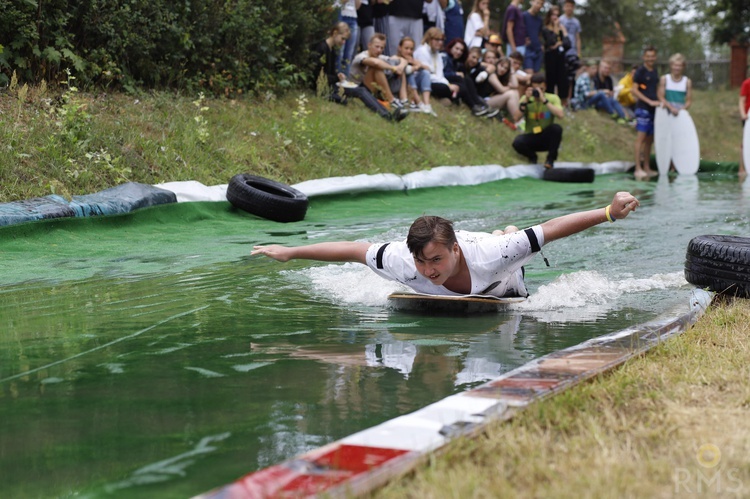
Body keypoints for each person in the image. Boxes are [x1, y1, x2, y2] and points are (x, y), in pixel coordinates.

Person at [251, 192, 641, 298]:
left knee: (513, 246)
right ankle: (505, 231)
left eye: (435, 260)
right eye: (422, 263)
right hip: (481, 248)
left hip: (503, 276)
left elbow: (552, 228)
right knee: (504, 241)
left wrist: (609, 211)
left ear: (453, 251)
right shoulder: (404, 261)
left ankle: (507, 232)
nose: (428, 271)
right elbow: (355, 249)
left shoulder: (492, 258)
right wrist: (290, 252)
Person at [311, 23, 408, 122]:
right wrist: (336, 78)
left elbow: (328, 73)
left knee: (360, 90)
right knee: (360, 91)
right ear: (335, 33)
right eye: (343, 39)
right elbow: (318, 76)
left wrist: (337, 76)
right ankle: (388, 115)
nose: (343, 42)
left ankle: (388, 114)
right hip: (324, 88)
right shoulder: (322, 48)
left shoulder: (332, 50)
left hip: (332, 85)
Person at [421, 30, 492, 116]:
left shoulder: (453, 61)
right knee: (461, 80)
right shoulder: (443, 56)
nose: (458, 52)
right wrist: (454, 76)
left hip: (442, 82)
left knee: (464, 81)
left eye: (461, 50)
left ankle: (477, 104)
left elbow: (440, 75)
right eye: (457, 49)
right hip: (434, 82)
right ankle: (474, 105)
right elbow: (438, 74)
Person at [512, 72, 564, 169]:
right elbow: (515, 118)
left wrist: (544, 100)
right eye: (536, 89)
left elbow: (560, 115)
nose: (538, 92)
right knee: (517, 142)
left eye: (541, 89)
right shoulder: (526, 99)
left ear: (546, 87)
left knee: (556, 129)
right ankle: (532, 157)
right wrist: (525, 101)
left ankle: (550, 160)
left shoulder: (552, 98)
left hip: (546, 137)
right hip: (531, 136)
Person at [349, 33, 409, 110]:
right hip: (358, 89)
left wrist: (399, 67)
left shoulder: (379, 56)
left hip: (372, 89)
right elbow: (375, 63)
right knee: (376, 68)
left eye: (382, 48)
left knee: (401, 67)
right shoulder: (361, 56)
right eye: (377, 47)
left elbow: (402, 59)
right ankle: (392, 101)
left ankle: (404, 100)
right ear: (369, 45)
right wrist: (393, 68)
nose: (379, 50)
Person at [631, 45, 660, 178]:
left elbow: (657, 90)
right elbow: (634, 90)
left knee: (649, 140)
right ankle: (638, 168)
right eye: (648, 56)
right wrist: (649, 101)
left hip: (654, 110)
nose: (650, 58)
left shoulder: (654, 72)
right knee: (641, 138)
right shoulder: (640, 71)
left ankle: (646, 167)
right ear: (644, 57)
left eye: (652, 56)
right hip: (643, 108)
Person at [397, 36, 436, 114]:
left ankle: (427, 104)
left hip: (412, 84)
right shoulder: (397, 58)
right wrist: (417, 66)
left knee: (425, 73)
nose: (409, 51)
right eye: (406, 48)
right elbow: (407, 70)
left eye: (411, 49)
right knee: (409, 73)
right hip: (400, 85)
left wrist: (418, 64)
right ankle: (419, 103)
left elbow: (431, 70)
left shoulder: (413, 60)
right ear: (400, 48)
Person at [541, 4, 569, 103]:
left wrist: (562, 38)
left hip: (561, 58)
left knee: (562, 81)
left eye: (557, 15)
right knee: (550, 81)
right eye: (553, 15)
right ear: (549, 16)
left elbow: (567, 44)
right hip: (550, 59)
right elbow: (550, 43)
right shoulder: (545, 29)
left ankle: (563, 104)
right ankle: (549, 102)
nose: (555, 17)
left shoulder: (561, 29)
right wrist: (556, 29)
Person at [559, 0, 581, 103]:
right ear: (564, 7)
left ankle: (569, 100)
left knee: (571, 78)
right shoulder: (560, 20)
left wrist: (578, 53)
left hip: (573, 53)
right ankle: (560, 99)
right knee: (562, 77)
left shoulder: (576, 22)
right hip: (563, 52)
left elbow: (578, 38)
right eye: (567, 6)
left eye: (571, 6)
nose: (569, 8)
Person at [336, 0, 362, 77]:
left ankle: (345, 81)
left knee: (349, 54)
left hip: (353, 17)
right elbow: (339, 3)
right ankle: (337, 80)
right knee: (339, 52)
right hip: (340, 15)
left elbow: (357, 6)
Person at [522, 0, 544, 75]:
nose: (539, 6)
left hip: (537, 50)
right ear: (532, 2)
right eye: (538, 3)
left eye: (541, 4)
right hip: (527, 49)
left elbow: (539, 34)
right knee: (529, 75)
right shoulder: (524, 15)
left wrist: (541, 45)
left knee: (536, 77)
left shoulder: (540, 19)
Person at [738, 73, 749, 177]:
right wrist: (743, 114)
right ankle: (741, 169)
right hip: (748, 118)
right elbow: (742, 101)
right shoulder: (747, 83)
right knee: (745, 143)